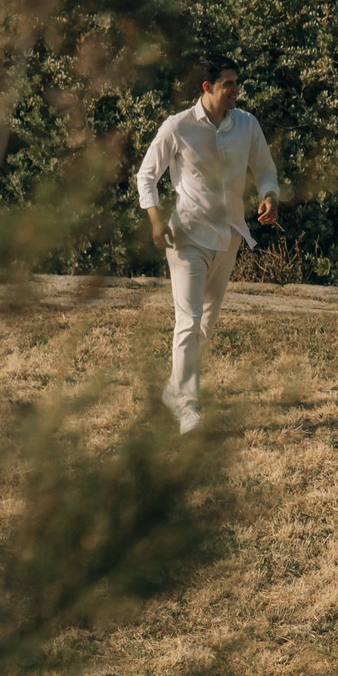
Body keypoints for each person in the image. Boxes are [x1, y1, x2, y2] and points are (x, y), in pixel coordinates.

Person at [135, 55, 278, 434]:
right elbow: (146, 175)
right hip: (186, 237)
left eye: (236, 83)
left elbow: (265, 169)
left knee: (206, 327)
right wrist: (155, 219)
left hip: (228, 236)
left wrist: (269, 196)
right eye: (228, 84)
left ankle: (174, 389)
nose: (235, 90)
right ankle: (188, 407)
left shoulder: (247, 124)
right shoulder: (178, 126)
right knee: (188, 321)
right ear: (207, 87)